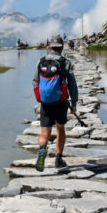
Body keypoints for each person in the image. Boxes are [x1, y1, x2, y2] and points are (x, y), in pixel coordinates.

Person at [33, 35, 78, 171]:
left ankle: (42, 149)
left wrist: (40, 97)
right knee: (60, 129)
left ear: (49, 47)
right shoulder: (65, 62)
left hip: (45, 102)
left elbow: (35, 81)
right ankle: (58, 159)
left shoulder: (40, 62)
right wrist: (74, 103)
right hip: (61, 101)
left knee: (44, 132)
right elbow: (72, 85)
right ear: (62, 47)